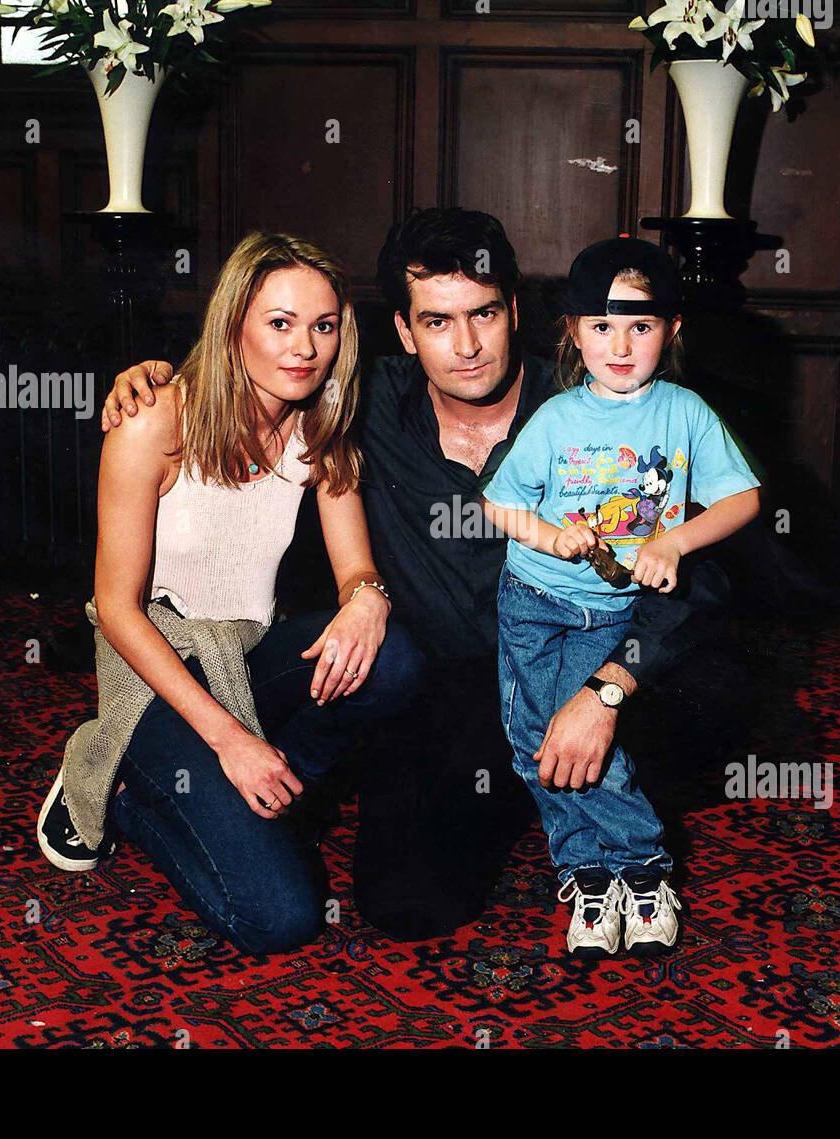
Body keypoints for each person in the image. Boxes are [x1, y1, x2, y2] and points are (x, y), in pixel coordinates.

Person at [100, 208, 738, 941]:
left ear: (515, 312)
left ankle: (573, 789)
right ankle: (516, 791)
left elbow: (699, 583)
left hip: (586, 667)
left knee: (703, 717)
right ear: (403, 331)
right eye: (436, 322)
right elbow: (258, 361)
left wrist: (607, 691)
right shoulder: (363, 404)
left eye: (484, 314)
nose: (466, 346)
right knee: (406, 905)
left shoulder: (599, 408)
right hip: (447, 692)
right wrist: (150, 375)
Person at [39, 231, 423, 955]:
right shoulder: (153, 422)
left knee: (394, 655)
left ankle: (284, 786)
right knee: (281, 919)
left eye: (323, 325)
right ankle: (124, 794)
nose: (304, 346)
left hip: (247, 654)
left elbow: (355, 571)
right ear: (234, 325)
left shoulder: (319, 425)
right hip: (156, 673)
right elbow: (116, 607)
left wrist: (368, 595)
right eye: (280, 322)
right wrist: (231, 741)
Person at [478, 237, 760, 956]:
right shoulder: (556, 418)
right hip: (536, 600)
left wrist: (676, 541)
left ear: (672, 330)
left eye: (642, 325)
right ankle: (600, 868)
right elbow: (497, 504)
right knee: (530, 744)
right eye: (602, 326)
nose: (623, 345)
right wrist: (548, 535)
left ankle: (638, 869)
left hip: (615, 612)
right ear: (573, 331)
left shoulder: (685, 411)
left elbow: (744, 498)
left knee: (580, 738)